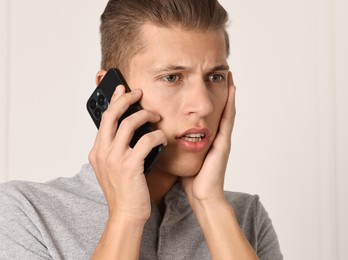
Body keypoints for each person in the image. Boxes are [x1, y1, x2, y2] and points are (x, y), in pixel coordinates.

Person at [0, 0, 283, 259]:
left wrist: (210, 206)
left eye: (215, 77)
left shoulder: (245, 218)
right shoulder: (26, 213)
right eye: (172, 77)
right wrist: (125, 217)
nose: (204, 105)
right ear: (113, 92)